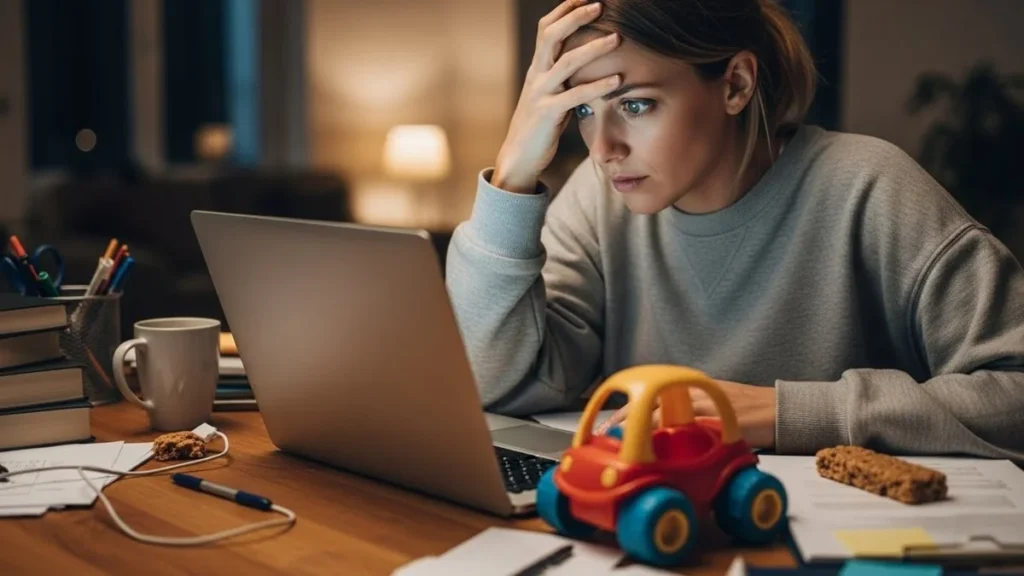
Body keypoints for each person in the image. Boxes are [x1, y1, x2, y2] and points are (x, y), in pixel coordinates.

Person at [444, 0, 1024, 461]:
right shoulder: (599, 199)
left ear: (736, 85)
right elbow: (493, 384)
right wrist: (513, 176)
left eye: (637, 105)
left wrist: (784, 413)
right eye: (585, 112)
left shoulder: (869, 186)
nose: (603, 149)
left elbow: (1014, 392)